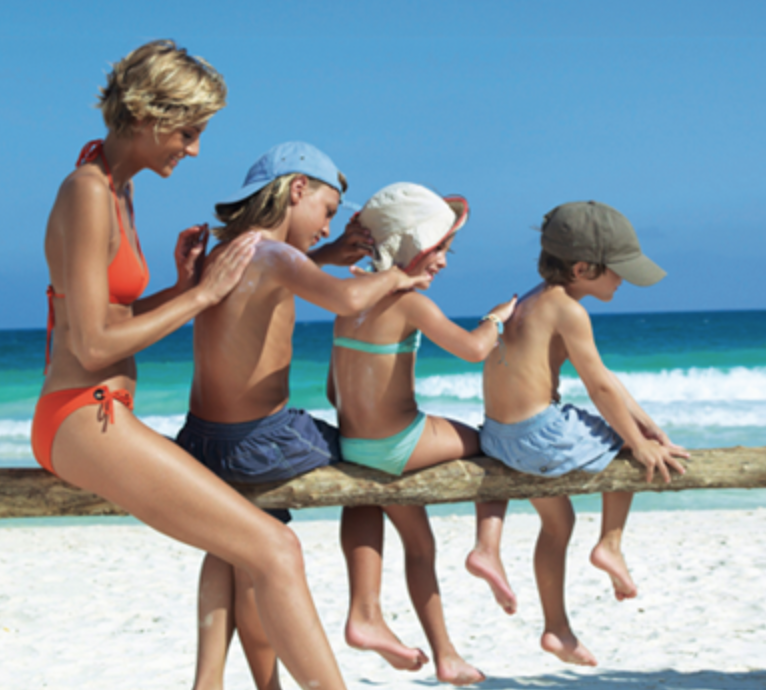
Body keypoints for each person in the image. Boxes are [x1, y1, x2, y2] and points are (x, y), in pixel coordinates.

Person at [32, 41, 349, 690]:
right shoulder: (87, 191)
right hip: (80, 417)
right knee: (274, 547)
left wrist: (177, 289)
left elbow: (106, 321)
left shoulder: (112, 187)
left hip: (97, 415)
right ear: (149, 115)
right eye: (189, 131)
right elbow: (89, 348)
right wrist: (202, 297)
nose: (195, 148)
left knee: (258, 545)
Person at [175, 143, 432, 690]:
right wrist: (397, 278)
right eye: (328, 210)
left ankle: (215, 680)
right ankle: (368, 608)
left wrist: (330, 251)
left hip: (203, 440)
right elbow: (347, 300)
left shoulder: (234, 252)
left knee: (236, 547)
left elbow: (273, 280)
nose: (326, 225)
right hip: (261, 441)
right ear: (297, 190)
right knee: (371, 454)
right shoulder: (278, 257)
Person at [477, 200, 690, 667]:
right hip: (539, 436)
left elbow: (605, 377)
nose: (623, 281)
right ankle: (610, 543)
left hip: (500, 437)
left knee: (558, 522)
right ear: (581, 268)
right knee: (625, 450)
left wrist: (651, 425)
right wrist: (640, 443)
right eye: (617, 272)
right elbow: (598, 388)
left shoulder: (532, 300)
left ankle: (556, 629)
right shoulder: (570, 312)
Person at [328, 182, 517, 686]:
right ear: (409, 246)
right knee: (494, 441)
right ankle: (487, 548)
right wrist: (498, 319)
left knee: (406, 531)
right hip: (403, 441)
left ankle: (375, 619)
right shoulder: (408, 301)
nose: (444, 263)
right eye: (439, 250)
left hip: (356, 445)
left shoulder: (347, 300)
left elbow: (332, 387)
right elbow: (474, 349)